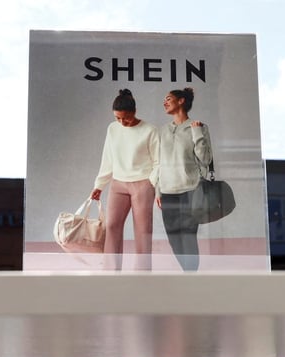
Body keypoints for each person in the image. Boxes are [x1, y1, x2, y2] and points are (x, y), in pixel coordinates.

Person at [91, 88, 160, 271]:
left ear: (134, 112)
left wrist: (153, 184)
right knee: (112, 226)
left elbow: (158, 161)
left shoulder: (150, 130)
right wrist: (100, 185)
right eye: (117, 118)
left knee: (143, 231)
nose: (122, 122)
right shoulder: (112, 129)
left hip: (143, 184)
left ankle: (142, 274)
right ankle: (111, 272)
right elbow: (108, 157)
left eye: (126, 117)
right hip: (118, 183)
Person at [157, 87, 214, 271]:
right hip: (167, 192)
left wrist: (197, 133)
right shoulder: (163, 130)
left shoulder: (199, 127)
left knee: (188, 237)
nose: (164, 102)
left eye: (168, 99)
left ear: (181, 101)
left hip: (191, 190)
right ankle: (188, 274)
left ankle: (190, 276)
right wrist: (157, 189)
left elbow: (205, 160)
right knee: (174, 239)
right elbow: (158, 162)